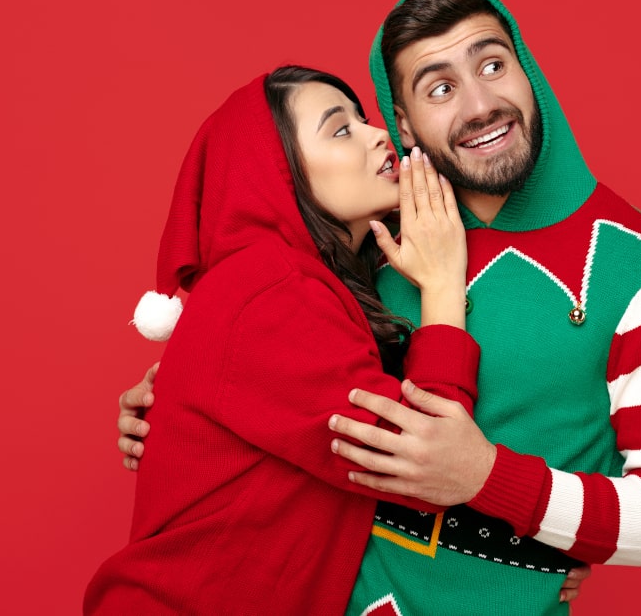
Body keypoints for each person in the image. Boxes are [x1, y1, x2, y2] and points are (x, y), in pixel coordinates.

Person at [120, 0, 641, 615]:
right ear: (403, 121)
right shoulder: (373, 241)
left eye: (492, 65)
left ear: (527, 71)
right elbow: (274, 379)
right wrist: (176, 408)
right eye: (440, 89)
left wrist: (502, 491)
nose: (480, 105)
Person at [85, 65, 486, 614]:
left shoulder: (293, 288)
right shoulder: (268, 289)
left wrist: (539, 551)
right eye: (340, 129)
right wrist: (442, 284)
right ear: (277, 175)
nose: (377, 135)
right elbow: (427, 464)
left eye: (364, 119)